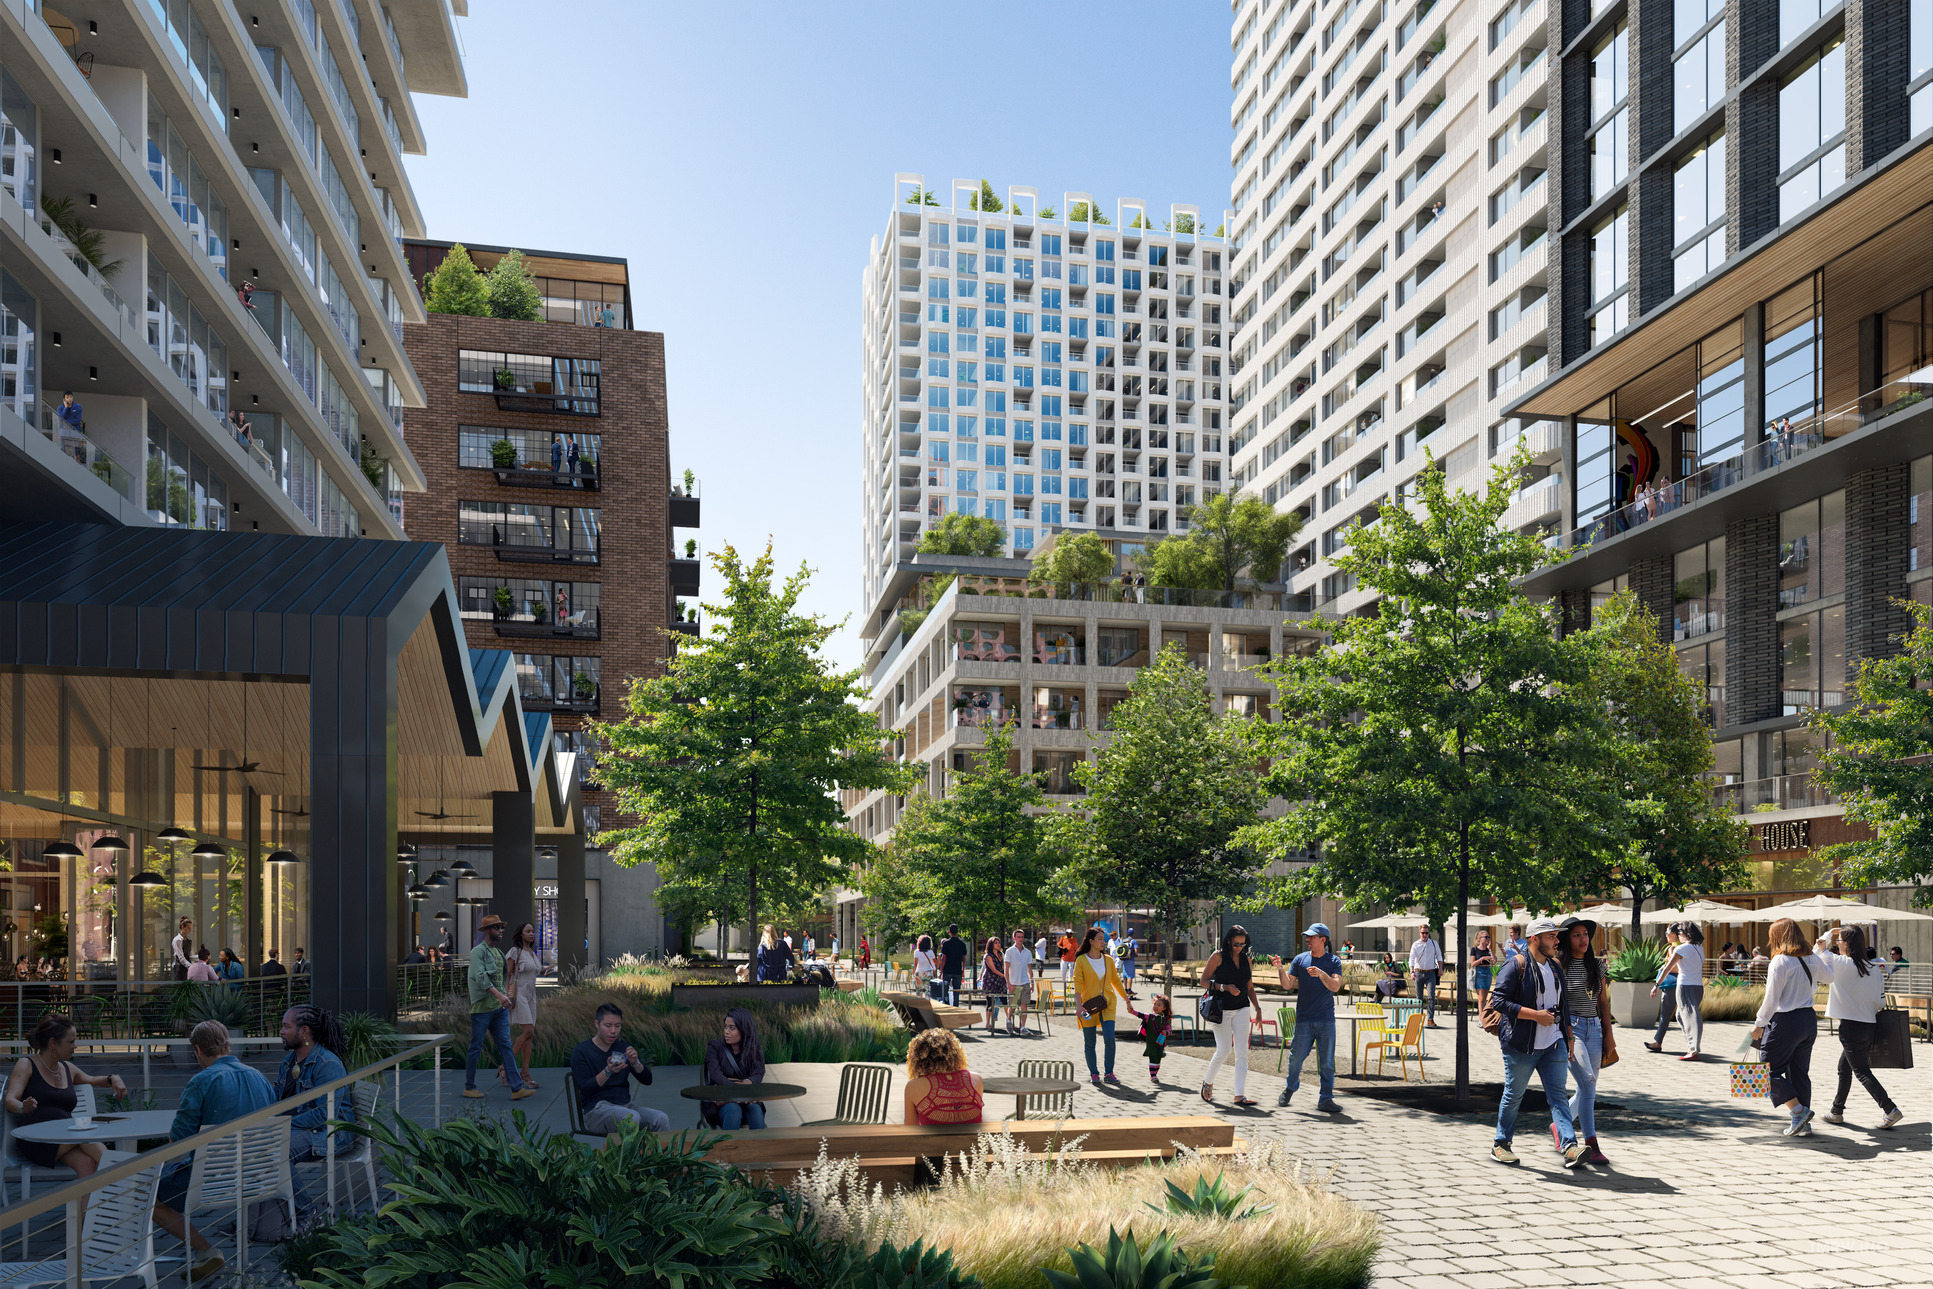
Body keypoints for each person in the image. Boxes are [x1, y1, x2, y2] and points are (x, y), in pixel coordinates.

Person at [154, 1021, 276, 1281]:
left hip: (212, 1182)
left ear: (197, 1049)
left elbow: (180, 1137)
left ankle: (206, 1251)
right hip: (260, 1177)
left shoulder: (201, 1082)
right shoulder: (260, 1077)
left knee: (147, 1192)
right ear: (228, 1043)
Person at [1490, 918, 1585, 1167]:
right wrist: (1535, 1016)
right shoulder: (1516, 965)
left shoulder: (1554, 967)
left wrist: (1569, 1037)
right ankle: (1501, 1143)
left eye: (1557, 936)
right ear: (1535, 939)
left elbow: (1563, 1007)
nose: (1557, 941)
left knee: (1558, 1097)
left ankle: (1570, 1147)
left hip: (1554, 1044)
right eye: (1551, 936)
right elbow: (1498, 1002)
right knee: (1514, 1095)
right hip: (1522, 1045)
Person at [4, 1015, 128, 1187]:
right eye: (71, 1041)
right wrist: (22, 1107)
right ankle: (128, 1181)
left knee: (87, 1165)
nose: (75, 1046)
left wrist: (114, 1078)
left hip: (66, 1137)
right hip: (37, 1139)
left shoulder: (67, 1068)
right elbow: (10, 1099)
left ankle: (85, 1214)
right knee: (86, 1135)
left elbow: (92, 1080)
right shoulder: (26, 1064)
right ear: (53, 1043)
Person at [1813, 925, 1903, 1129]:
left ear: (1846, 944)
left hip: (1850, 1028)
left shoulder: (1839, 962)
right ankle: (1836, 1111)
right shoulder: (1874, 969)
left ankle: (1890, 1109)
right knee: (1844, 1068)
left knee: (1861, 1071)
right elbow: (1880, 1002)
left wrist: (1828, 935)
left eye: (1839, 941)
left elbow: (1815, 953)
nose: (1837, 945)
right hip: (1869, 1026)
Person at [274, 1005, 356, 1217]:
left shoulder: (327, 1064)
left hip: (331, 1133)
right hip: (302, 1128)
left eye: (286, 1027)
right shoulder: (289, 1061)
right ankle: (258, 1223)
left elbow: (324, 1115)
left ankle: (306, 1214)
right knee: (256, 1146)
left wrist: (282, 1123)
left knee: (277, 1152)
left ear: (304, 1031)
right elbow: (276, 1097)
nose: (281, 1031)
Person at [1750, 917, 1828, 1137]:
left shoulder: (1780, 961)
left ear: (1778, 937)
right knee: (1799, 1073)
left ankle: (1798, 1111)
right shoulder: (1811, 957)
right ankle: (1803, 1122)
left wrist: (1759, 1024)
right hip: (1808, 1020)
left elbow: (1771, 999)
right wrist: (1822, 952)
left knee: (1765, 1072)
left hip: (1786, 1022)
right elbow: (1829, 977)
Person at [1557, 916, 1615, 1164]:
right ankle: (1592, 1143)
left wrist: (1609, 1035)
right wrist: (1566, 1032)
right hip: (1573, 1029)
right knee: (1588, 1083)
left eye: (1585, 934)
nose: (1583, 939)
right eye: (1576, 935)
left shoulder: (1597, 966)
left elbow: (1602, 1003)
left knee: (1586, 1088)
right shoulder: (1559, 966)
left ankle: (1558, 1127)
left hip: (1595, 1029)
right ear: (1567, 940)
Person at [1272, 922, 1344, 1112]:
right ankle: (1290, 1087)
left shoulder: (1334, 961)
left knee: (1327, 1062)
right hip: (1304, 1019)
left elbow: (1336, 987)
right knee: (1295, 1058)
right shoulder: (1299, 959)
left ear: (1322, 939)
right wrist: (1280, 968)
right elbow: (1287, 985)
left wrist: (1321, 974)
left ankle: (1325, 1099)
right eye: (1307, 936)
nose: (1308, 939)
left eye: (1312, 936)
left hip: (1326, 1019)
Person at [571, 1002, 669, 1134]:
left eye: (618, 1026)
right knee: (631, 1117)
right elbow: (585, 1089)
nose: (613, 1031)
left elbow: (647, 1080)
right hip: (596, 1110)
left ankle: (662, 1155)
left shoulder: (623, 1048)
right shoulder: (581, 1051)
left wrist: (635, 1063)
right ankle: (628, 1155)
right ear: (597, 1024)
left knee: (660, 1118)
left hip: (625, 1106)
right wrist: (608, 1072)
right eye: (608, 1025)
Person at [464, 914, 533, 1101]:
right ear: (487, 931)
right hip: (482, 1009)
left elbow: (503, 976)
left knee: (506, 1046)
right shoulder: (478, 952)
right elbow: (480, 977)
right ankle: (469, 1086)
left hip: (498, 1009)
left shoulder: (499, 953)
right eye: (497, 928)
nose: (501, 931)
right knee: (476, 1047)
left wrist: (504, 994)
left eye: (501, 928)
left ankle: (516, 1087)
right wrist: (500, 995)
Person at [1199, 924, 1260, 1107]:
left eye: (1242, 944)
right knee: (1224, 1050)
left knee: (1242, 1052)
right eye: (1236, 944)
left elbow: (1249, 987)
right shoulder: (1217, 956)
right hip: (1221, 1009)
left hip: (1242, 1008)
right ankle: (1207, 1082)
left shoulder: (1246, 960)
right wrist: (1224, 987)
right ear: (1228, 941)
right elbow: (1203, 981)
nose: (1239, 947)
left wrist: (1257, 1008)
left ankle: (1239, 1095)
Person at [1074, 926, 1134, 1087]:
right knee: (1090, 1041)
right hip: (1089, 1007)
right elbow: (1077, 985)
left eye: (1104, 938)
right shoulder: (1081, 960)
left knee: (1109, 1038)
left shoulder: (1107, 959)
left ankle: (1109, 1073)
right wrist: (1079, 1006)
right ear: (1091, 941)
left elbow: (1115, 981)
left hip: (1108, 1003)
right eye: (1100, 939)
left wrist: (1126, 1000)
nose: (1104, 941)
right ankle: (1094, 1073)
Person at [700, 1007, 767, 1130]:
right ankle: (729, 1148)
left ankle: (761, 1147)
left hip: (747, 1102)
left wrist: (749, 1082)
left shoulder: (754, 1048)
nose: (726, 1031)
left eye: (732, 1028)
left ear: (744, 1030)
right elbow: (716, 1075)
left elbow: (759, 1072)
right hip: (721, 1105)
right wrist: (739, 1092)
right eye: (725, 1027)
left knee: (756, 1110)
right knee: (733, 1109)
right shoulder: (714, 1047)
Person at [902, 1028, 983, 1125]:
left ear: (918, 1058)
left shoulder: (914, 1086)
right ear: (956, 1053)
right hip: (972, 1140)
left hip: (933, 1140)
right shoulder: (976, 1079)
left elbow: (910, 1128)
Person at [1656, 922, 1705, 1059]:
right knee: (1681, 1015)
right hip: (1698, 987)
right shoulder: (1699, 948)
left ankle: (1693, 1050)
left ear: (1685, 934)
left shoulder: (1681, 949)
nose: (1678, 936)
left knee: (1691, 1017)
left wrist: (1656, 985)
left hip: (1685, 986)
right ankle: (1691, 1046)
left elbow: (1668, 969)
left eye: (1679, 933)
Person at [503, 921, 542, 1090]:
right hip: (519, 994)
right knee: (527, 1031)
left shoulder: (532, 953)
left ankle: (525, 1073)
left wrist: (546, 969)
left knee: (529, 1035)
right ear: (521, 934)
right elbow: (508, 973)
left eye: (533, 931)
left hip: (532, 995)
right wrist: (505, 995)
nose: (531, 934)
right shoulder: (515, 951)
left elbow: (534, 972)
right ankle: (506, 1067)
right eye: (528, 931)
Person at [1644, 925, 1681, 1052]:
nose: (1666, 935)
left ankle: (1658, 1043)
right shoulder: (1683, 946)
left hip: (1671, 985)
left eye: (1668, 932)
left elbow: (1675, 968)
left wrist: (1663, 969)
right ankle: (1693, 1045)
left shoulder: (1673, 948)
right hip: (1681, 984)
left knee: (1665, 1015)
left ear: (1675, 934)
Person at [1127, 993, 1173, 1084]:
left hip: (1160, 1042)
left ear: (1164, 1008)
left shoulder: (1165, 1019)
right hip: (1151, 1041)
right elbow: (1139, 1014)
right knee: (1152, 1056)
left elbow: (1168, 1028)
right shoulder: (1149, 1017)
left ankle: (1155, 1072)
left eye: (1158, 1005)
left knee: (1158, 1058)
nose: (1155, 1006)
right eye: (1155, 1004)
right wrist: (1132, 1011)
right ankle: (1153, 1076)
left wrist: (1166, 1032)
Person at [1409, 925, 1444, 1027]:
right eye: (1423, 933)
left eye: (1426, 933)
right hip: (1418, 972)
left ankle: (1430, 1019)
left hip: (1431, 973)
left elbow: (1439, 956)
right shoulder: (1415, 945)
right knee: (1419, 997)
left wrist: (1440, 969)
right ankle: (1418, 1019)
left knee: (1431, 996)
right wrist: (1411, 971)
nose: (1424, 935)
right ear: (1419, 933)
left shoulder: (1433, 943)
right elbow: (1411, 958)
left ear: (1429, 933)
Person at [1003, 929, 1035, 1034]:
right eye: (1018, 937)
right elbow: (1006, 969)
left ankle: (1023, 1027)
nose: (1020, 939)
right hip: (1013, 983)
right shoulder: (1009, 952)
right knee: (1012, 1007)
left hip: (1025, 983)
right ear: (1014, 938)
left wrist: (1032, 982)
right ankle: (1008, 1020)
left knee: (1024, 1005)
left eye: (1022, 937)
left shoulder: (1028, 952)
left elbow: (1029, 969)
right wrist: (1008, 983)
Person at [979, 936, 1008, 1034]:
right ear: (991, 944)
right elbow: (994, 970)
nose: (998, 944)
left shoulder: (1001, 954)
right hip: (990, 981)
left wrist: (1006, 974)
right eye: (996, 943)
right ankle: (987, 1023)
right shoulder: (988, 956)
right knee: (990, 1002)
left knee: (1004, 1000)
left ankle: (1009, 1021)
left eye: (998, 943)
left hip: (1000, 980)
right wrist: (1005, 976)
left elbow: (1003, 966)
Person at [938, 924, 969, 1006]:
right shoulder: (962, 944)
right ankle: (956, 1007)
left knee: (945, 990)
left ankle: (946, 1005)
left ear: (949, 932)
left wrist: (941, 971)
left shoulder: (946, 944)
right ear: (957, 932)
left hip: (947, 969)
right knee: (956, 991)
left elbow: (943, 958)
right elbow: (964, 958)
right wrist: (963, 970)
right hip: (957, 970)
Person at [1469, 930, 1496, 1014]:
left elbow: (1494, 960)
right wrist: (1482, 958)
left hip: (1487, 972)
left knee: (1485, 998)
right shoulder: (1474, 950)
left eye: (1489, 937)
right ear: (1480, 938)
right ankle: (1481, 1018)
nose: (1488, 939)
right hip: (1479, 973)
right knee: (1480, 998)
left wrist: (1490, 949)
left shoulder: (1488, 950)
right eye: (1486, 937)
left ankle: (1483, 1017)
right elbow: (1473, 964)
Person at [172, 917, 194, 981]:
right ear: (182, 927)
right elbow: (181, 958)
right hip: (180, 968)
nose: (190, 930)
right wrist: (191, 967)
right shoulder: (177, 940)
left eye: (190, 929)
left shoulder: (188, 939)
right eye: (188, 928)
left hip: (187, 966)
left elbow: (189, 955)